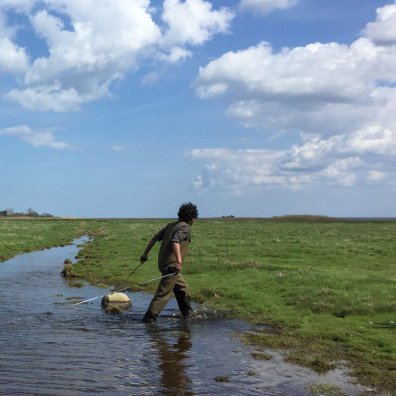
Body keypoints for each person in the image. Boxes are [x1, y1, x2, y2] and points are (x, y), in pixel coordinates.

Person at [140, 202, 198, 323]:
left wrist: (145, 254)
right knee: (163, 294)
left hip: (164, 264)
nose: (195, 220)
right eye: (195, 218)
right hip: (171, 266)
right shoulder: (185, 227)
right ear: (191, 218)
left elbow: (154, 238)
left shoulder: (171, 225)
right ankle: (149, 318)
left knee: (183, 289)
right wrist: (179, 261)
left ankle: (187, 314)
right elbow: (175, 241)